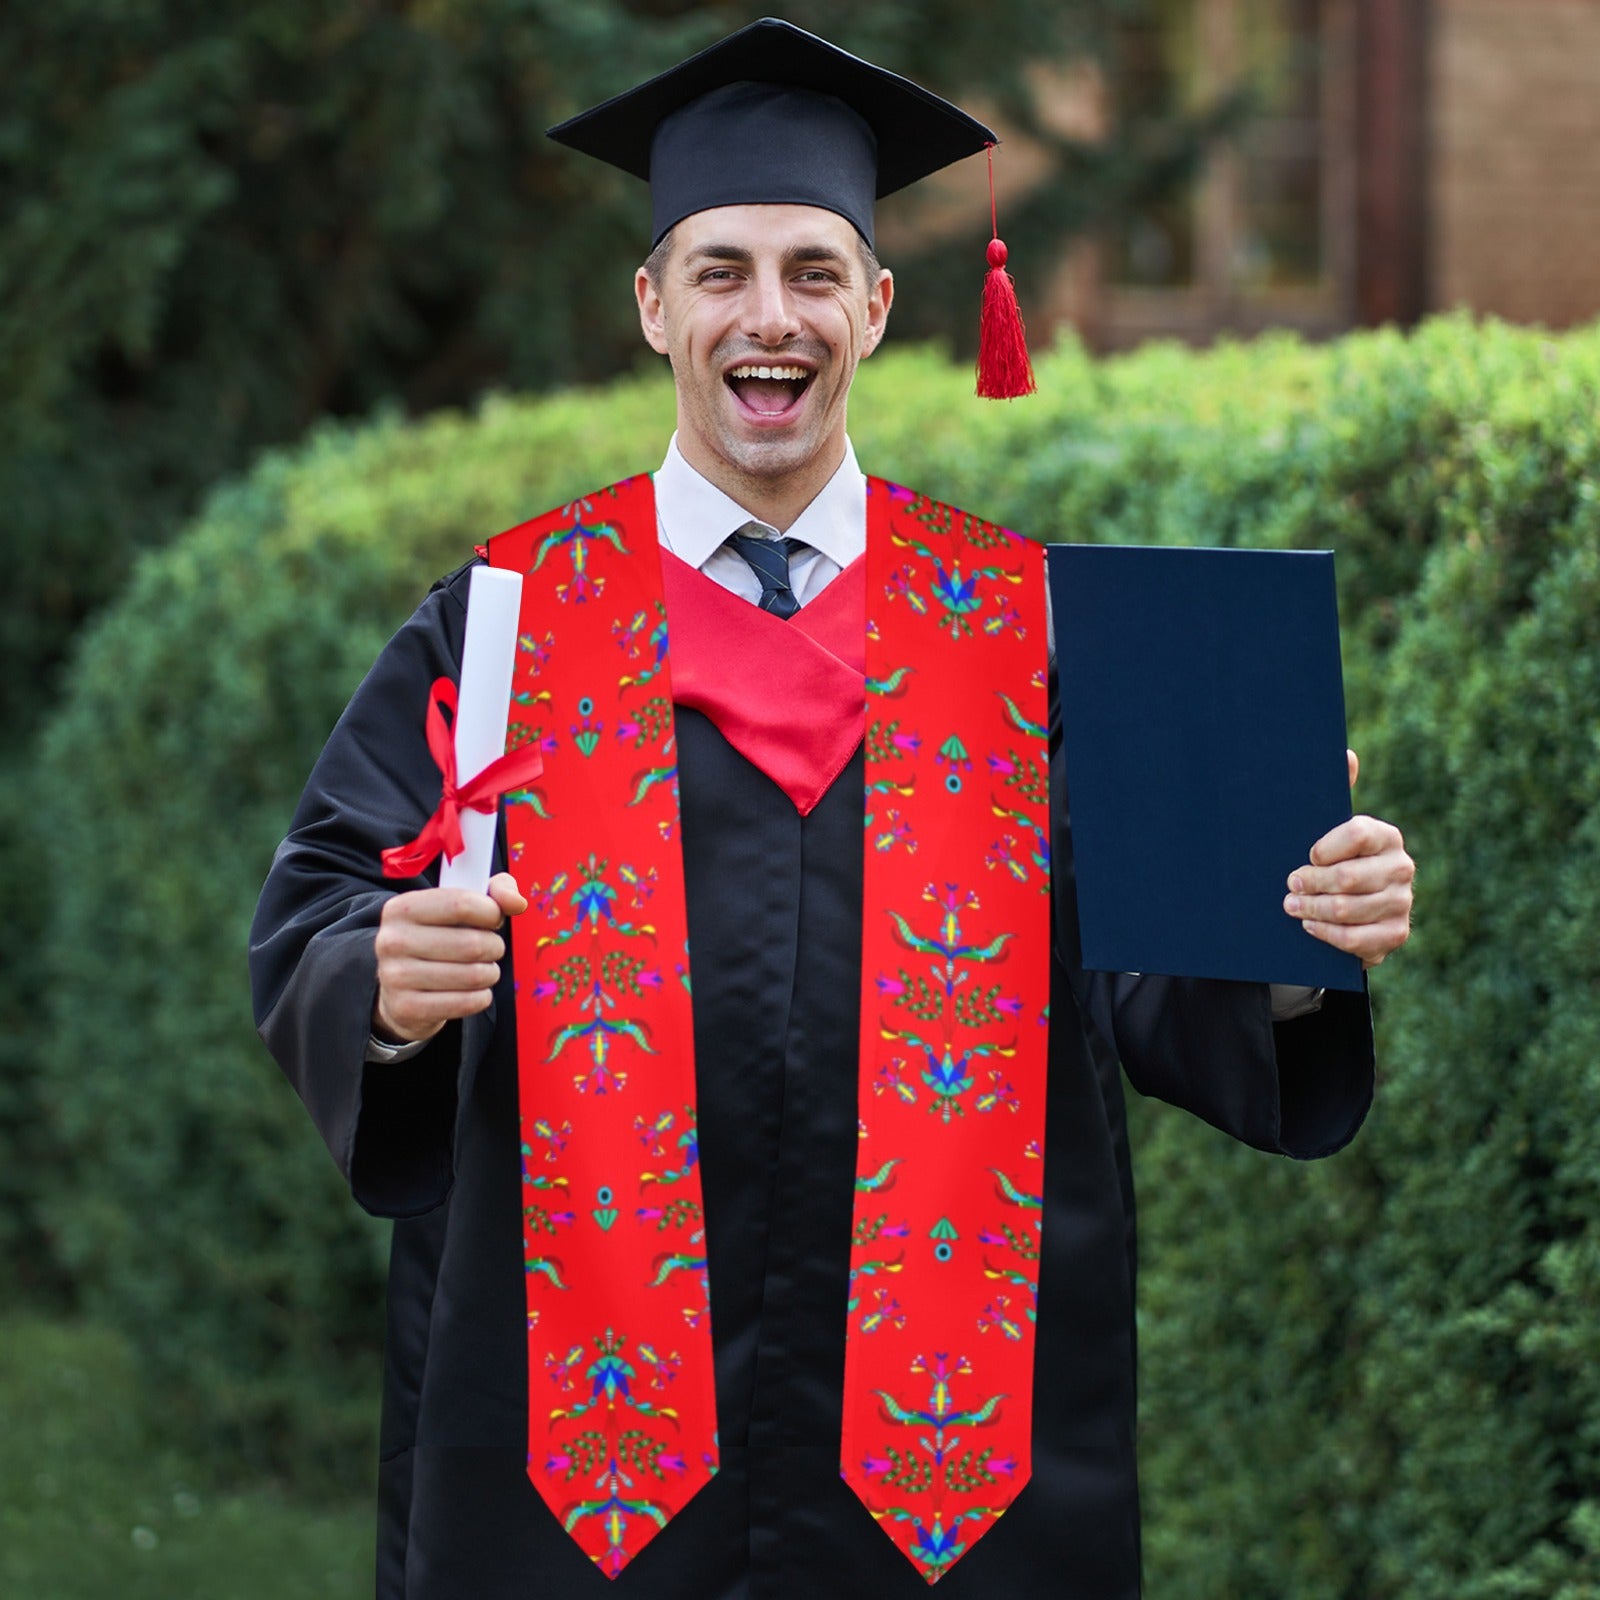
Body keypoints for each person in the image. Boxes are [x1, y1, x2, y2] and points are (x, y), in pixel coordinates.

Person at [249, 19, 1415, 1600]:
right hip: (578, 1460)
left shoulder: (1030, 628)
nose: (768, 317)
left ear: (876, 305)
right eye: (721, 270)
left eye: (812, 271)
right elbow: (323, 901)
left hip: (957, 1467)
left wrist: (1292, 936)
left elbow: (1151, 976)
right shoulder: (513, 622)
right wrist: (379, 983)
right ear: (654, 305)